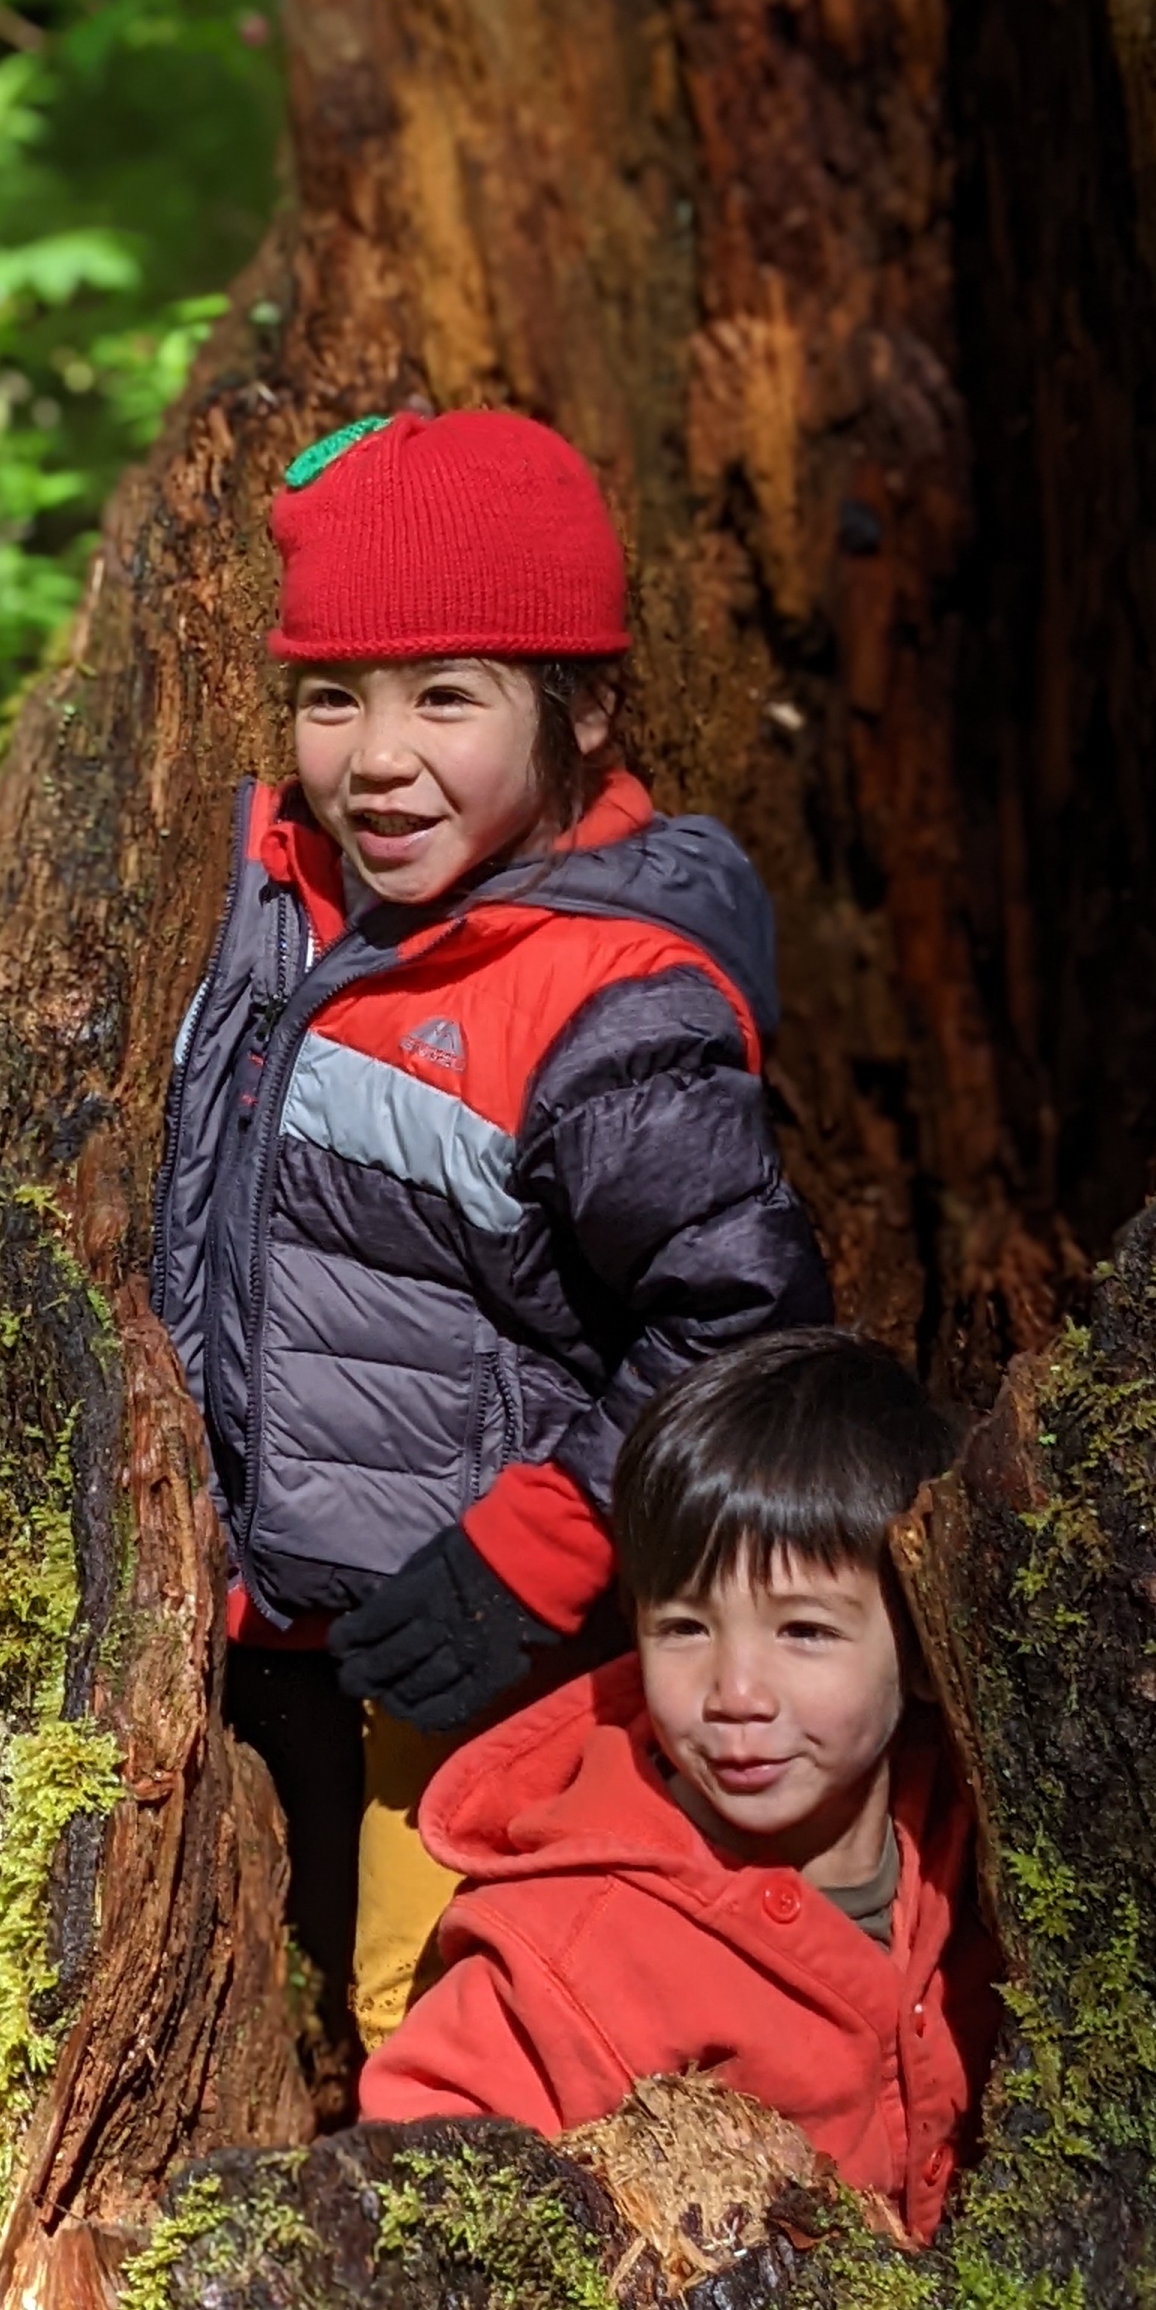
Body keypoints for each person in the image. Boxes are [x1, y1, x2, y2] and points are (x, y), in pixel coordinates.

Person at [151, 404, 832, 2063]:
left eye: (443, 696)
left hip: (486, 1638)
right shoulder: (315, 900)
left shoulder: (603, 1009)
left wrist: (539, 1553)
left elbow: (743, 1328)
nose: (375, 756)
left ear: (582, 707)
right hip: (286, 1622)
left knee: (435, 2006)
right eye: (332, 700)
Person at [356, 1330, 998, 2247]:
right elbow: (417, 2172)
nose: (737, 1694)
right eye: (687, 1628)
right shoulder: (579, 1940)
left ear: (926, 1649)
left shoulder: (984, 1859)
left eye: (805, 1632)